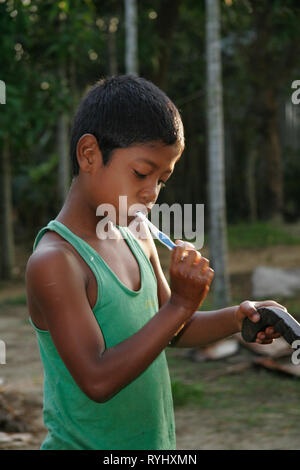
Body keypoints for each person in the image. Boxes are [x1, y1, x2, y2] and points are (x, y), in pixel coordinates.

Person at [25, 74, 284, 450]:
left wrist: (237, 318)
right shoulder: (56, 262)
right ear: (89, 155)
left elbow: (171, 328)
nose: (151, 194)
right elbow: (97, 380)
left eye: (162, 180)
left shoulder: (137, 236)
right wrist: (180, 304)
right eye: (141, 173)